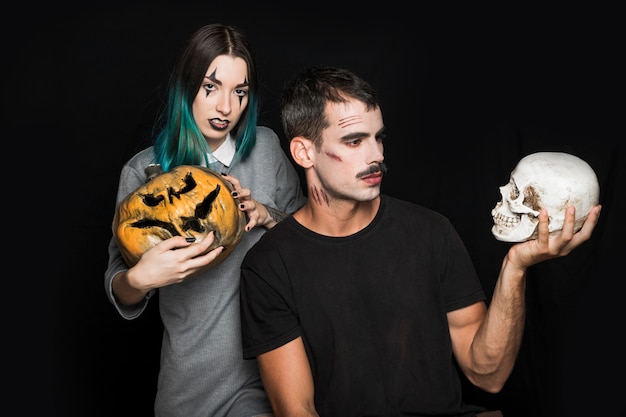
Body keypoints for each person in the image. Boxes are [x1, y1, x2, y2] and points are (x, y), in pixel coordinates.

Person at [239, 66, 602, 416]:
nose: (377, 155)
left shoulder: (432, 232)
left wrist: (515, 267)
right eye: (354, 141)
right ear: (304, 152)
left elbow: (487, 375)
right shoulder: (270, 265)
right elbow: (296, 409)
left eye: (378, 137)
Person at [104, 24, 306, 417]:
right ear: (186, 86)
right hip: (189, 383)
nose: (225, 107)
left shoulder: (265, 148)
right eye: (211, 87)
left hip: (270, 371)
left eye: (239, 92)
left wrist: (267, 214)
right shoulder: (144, 171)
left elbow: (310, 239)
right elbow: (119, 287)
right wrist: (141, 278)